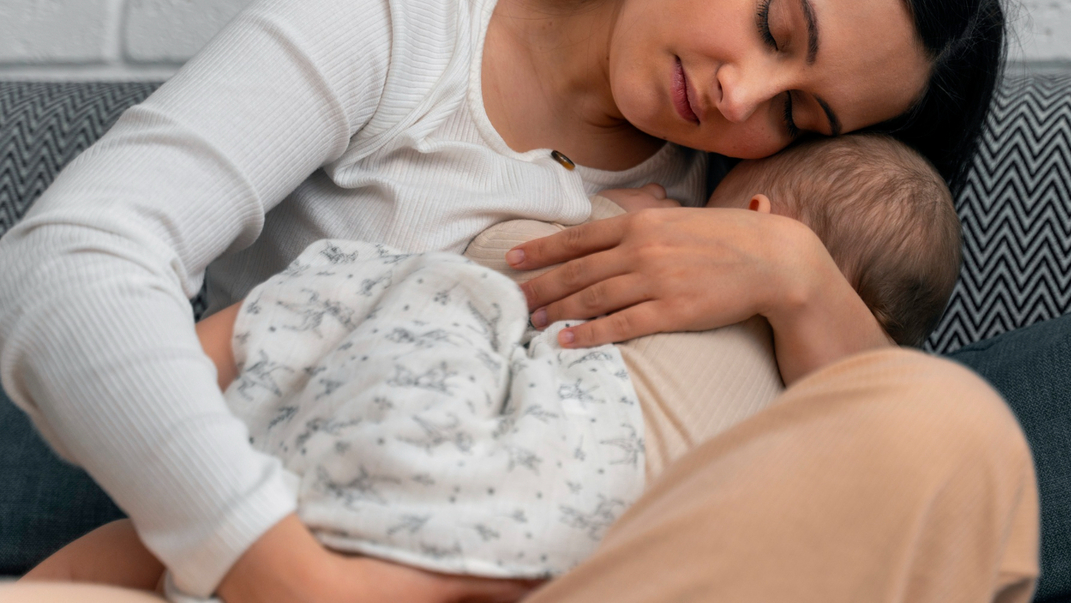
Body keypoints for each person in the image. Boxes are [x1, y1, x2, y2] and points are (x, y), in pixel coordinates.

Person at [0, 0, 1028, 603]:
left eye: (798, 114)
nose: (740, 96)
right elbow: (77, 260)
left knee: (956, 428)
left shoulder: (742, 210)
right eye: (774, 24)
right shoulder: (408, 15)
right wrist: (291, 576)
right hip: (275, 557)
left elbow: (865, 452)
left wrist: (798, 273)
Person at [24, 134, 964, 599]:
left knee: (396, 289)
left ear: (755, 223)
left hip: (458, 446)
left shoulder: (654, 241)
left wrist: (630, 212)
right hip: (571, 539)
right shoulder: (822, 405)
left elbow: (514, 261)